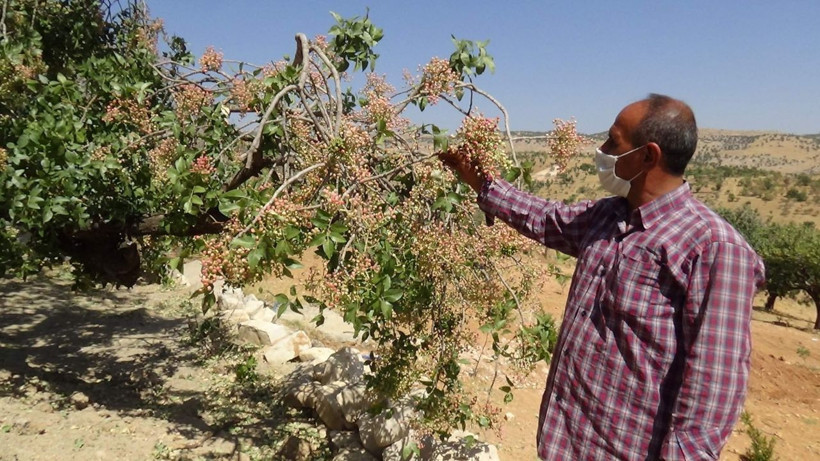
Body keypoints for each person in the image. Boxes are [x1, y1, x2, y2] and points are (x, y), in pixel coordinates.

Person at [440, 94, 765, 460]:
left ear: (648, 156)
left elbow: (713, 389)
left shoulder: (714, 247)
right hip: (565, 444)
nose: (602, 149)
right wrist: (482, 184)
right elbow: (545, 218)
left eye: (613, 141)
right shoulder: (609, 216)